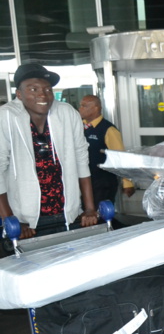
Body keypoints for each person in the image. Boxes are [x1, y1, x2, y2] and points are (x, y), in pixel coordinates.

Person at [0, 64, 97, 239]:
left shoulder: (67, 113)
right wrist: (10, 220)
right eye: (33, 89)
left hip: (68, 214)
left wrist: (89, 208)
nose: (43, 94)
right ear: (19, 94)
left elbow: (82, 159)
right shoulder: (6, 117)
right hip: (25, 222)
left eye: (47, 89)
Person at [78, 95, 135, 208]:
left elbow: (120, 157)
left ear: (95, 108)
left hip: (103, 182)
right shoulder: (80, 127)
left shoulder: (108, 129)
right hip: (85, 179)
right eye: (80, 106)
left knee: (101, 214)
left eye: (84, 106)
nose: (80, 109)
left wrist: (127, 182)